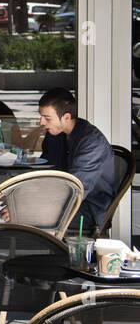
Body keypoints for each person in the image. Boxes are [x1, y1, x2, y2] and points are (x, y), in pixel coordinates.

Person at [38, 88, 114, 235]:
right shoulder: (54, 135)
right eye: (41, 116)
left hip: (88, 209)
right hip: (60, 200)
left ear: (66, 117)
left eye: (47, 118)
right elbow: (45, 171)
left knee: (25, 214)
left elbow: (75, 190)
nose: (41, 122)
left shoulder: (92, 142)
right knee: (20, 210)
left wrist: (29, 206)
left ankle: (39, 254)